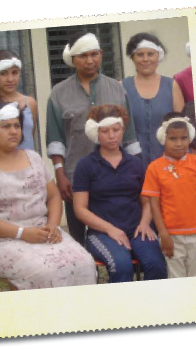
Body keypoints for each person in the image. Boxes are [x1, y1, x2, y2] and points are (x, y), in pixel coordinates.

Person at [0, 101, 96, 290]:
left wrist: (52, 224)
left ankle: (76, 317)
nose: (14, 131)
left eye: (17, 126)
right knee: (44, 272)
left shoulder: (34, 158)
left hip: (43, 231)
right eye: (6, 126)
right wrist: (22, 233)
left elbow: (53, 197)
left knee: (84, 263)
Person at [46, 31, 141, 246]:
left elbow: (129, 136)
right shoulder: (59, 93)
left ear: (101, 54)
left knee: (119, 230)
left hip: (116, 176)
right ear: (72, 59)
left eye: (94, 54)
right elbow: (56, 138)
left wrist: (138, 172)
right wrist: (60, 173)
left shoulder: (117, 89)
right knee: (78, 237)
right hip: (74, 176)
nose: (89, 61)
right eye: (82, 56)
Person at [72, 105, 167, 283]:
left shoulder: (135, 164)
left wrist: (145, 223)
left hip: (137, 229)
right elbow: (80, 209)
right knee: (122, 266)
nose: (111, 135)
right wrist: (110, 229)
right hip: (102, 233)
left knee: (157, 265)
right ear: (96, 133)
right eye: (105, 131)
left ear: (123, 129)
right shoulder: (85, 165)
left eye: (116, 130)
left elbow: (147, 202)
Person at [141, 111, 196, 278]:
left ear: (190, 137)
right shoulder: (154, 168)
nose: (179, 144)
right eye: (173, 139)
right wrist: (163, 234)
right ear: (163, 139)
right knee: (176, 278)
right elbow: (153, 204)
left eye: (183, 138)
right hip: (172, 235)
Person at [122, 32, 185, 170]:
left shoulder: (171, 85)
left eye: (150, 54)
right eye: (140, 54)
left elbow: (182, 127)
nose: (145, 59)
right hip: (131, 165)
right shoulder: (122, 87)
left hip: (168, 164)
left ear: (158, 56)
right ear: (132, 57)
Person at [0, 50, 38, 151]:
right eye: (3, 73)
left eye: (14, 73)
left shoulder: (30, 103)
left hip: (27, 163)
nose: (10, 79)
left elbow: (29, 136)